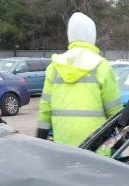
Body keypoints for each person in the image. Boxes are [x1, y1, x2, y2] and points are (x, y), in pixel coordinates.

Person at [37, 12, 122, 146]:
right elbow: (114, 112)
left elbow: (45, 110)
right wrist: (119, 143)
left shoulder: (54, 67)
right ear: (92, 35)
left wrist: (40, 139)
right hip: (95, 149)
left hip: (63, 148)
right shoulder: (101, 66)